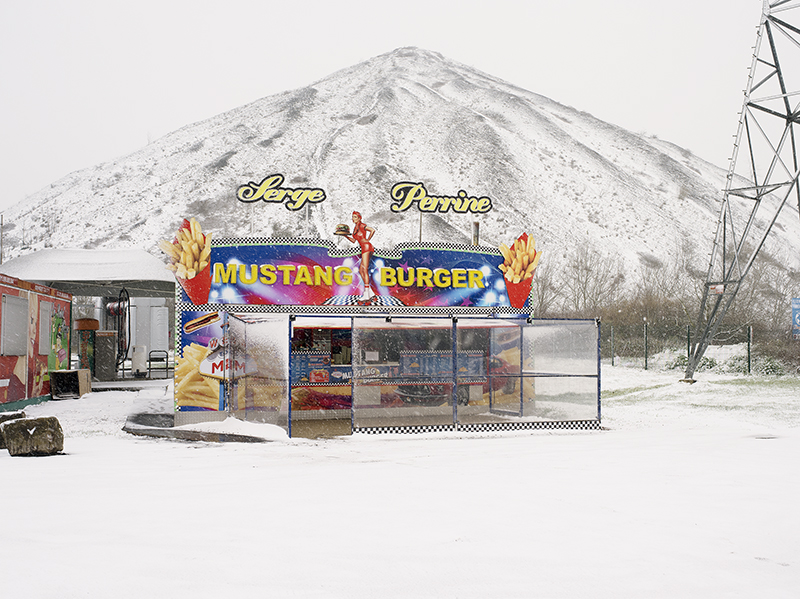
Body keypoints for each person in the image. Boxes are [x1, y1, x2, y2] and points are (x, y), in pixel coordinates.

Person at [344, 211, 376, 301]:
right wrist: (345, 236)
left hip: (367, 247)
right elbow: (354, 241)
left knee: (364, 269)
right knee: (361, 270)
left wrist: (367, 240)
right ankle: (370, 292)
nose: (353, 218)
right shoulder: (355, 228)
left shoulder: (362, 225)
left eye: (355, 217)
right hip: (364, 248)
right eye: (352, 217)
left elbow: (372, 230)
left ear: (359, 218)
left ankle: (366, 294)